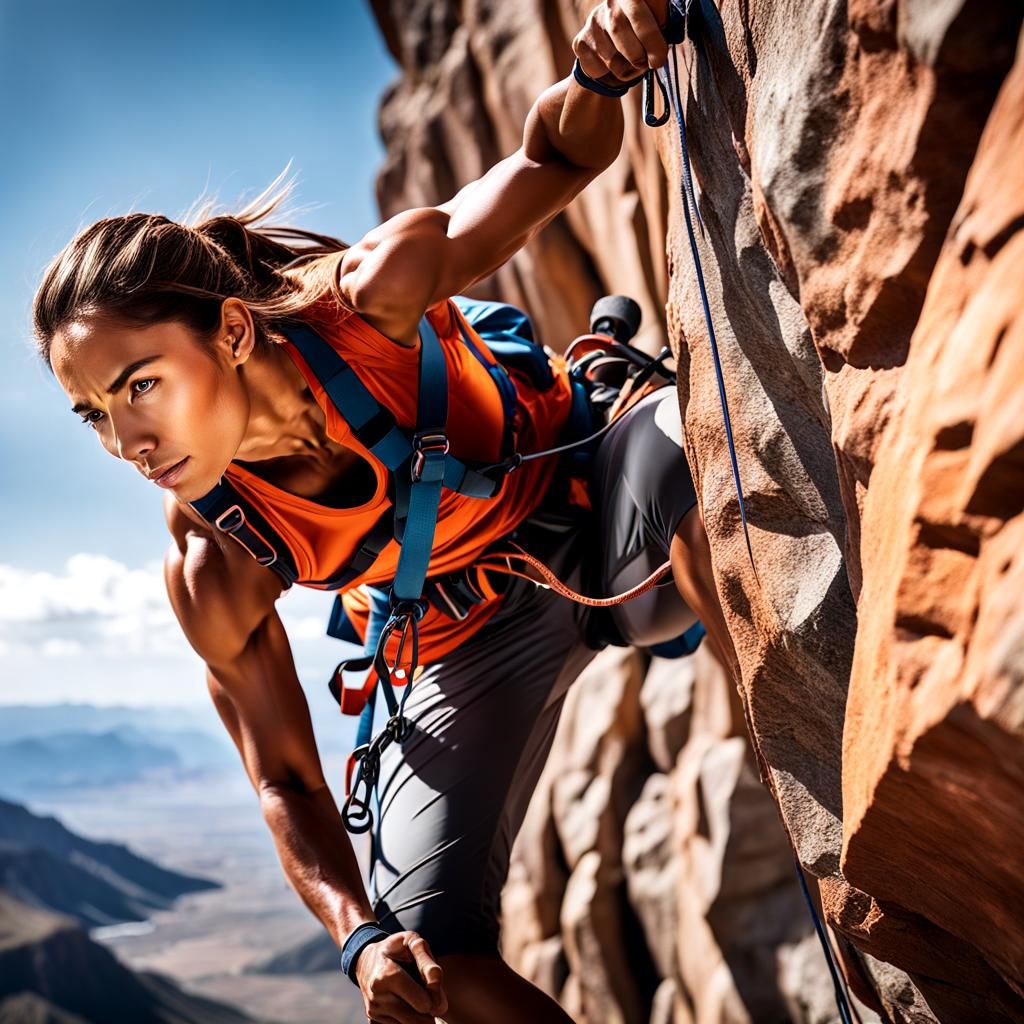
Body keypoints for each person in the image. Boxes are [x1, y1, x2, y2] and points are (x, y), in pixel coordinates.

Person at [34, 1, 733, 1021]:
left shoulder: (370, 300)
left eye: (141, 384)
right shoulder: (213, 557)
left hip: (599, 500)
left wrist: (597, 74)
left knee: (715, 468)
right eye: (94, 412)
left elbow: (550, 160)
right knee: (432, 969)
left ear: (232, 332)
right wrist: (358, 938)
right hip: (457, 645)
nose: (125, 440)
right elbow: (282, 778)